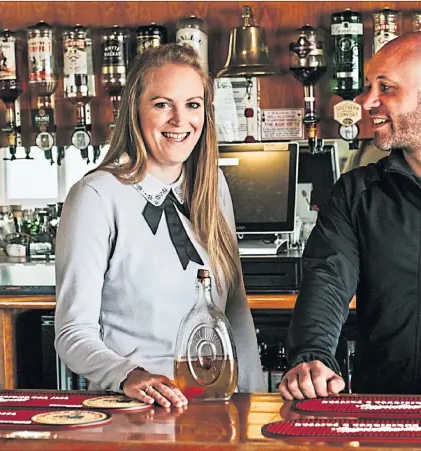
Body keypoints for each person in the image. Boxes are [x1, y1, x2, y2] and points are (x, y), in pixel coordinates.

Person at [55, 44, 265, 409]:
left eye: (192, 104)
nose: (179, 121)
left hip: (214, 406)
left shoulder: (212, 186)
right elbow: (73, 333)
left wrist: (255, 401)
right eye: (162, 104)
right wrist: (126, 374)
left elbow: (234, 310)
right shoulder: (95, 196)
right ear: (135, 110)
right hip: (135, 409)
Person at [280, 31, 421, 400]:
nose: (367, 101)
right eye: (367, 87)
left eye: (386, 88)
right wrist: (312, 355)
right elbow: (327, 280)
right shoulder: (357, 193)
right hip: (382, 412)